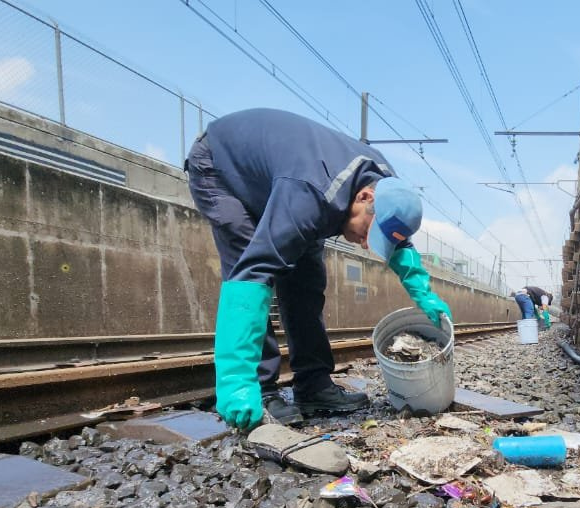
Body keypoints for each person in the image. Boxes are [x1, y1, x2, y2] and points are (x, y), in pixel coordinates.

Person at [185, 108, 451, 429]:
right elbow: (252, 275)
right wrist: (235, 381)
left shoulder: (386, 186)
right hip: (221, 169)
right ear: (364, 196)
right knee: (251, 260)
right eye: (369, 234)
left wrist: (424, 295)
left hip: (282, 181)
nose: (367, 245)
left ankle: (313, 385)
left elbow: (399, 239)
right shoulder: (310, 193)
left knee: (307, 283)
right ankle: (257, 387)